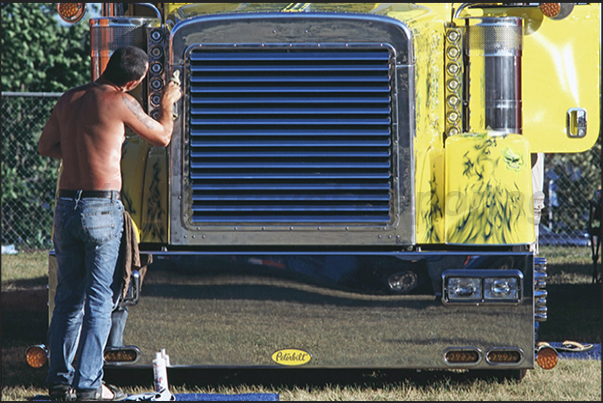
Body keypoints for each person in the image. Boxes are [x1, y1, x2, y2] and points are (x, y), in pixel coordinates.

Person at [38, 46, 181, 401]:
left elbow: (45, 146)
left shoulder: (68, 99)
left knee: (68, 298)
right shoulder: (120, 102)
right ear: (131, 82)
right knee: (100, 299)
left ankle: (60, 381)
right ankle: (89, 385)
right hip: (102, 208)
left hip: (66, 206)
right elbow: (163, 137)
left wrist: (77, 154)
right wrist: (168, 102)